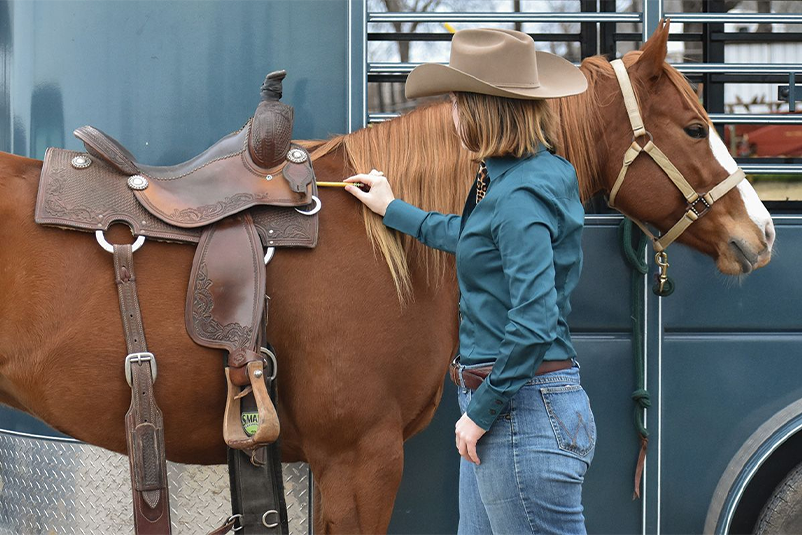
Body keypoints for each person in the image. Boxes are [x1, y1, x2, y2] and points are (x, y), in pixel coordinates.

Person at [344, 28, 596, 534]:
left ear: (482, 111)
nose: (452, 114)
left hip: (519, 411)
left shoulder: (519, 195)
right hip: (516, 407)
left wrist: (481, 412)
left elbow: (534, 322)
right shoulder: (529, 175)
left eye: (457, 102)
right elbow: (476, 237)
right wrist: (393, 209)